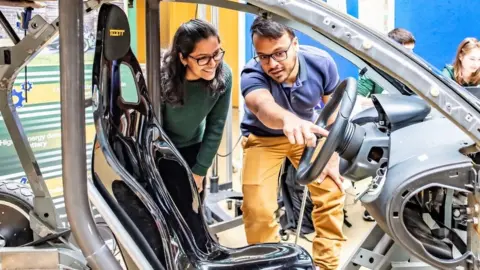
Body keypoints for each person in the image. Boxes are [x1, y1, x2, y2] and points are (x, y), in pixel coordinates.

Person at [240, 16, 346, 269]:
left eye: (279, 53)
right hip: (264, 138)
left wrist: (332, 153)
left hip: (307, 134)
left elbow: (333, 110)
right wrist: (288, 119)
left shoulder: (321, 62)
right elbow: (263, 107)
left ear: (295, 43)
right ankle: (269, 265)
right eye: (263, 56)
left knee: (332, 192)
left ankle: (326, 265)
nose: (272, 63)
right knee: (258, 208)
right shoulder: (252, 73)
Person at [157, 18, 232, 247]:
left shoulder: (224, 74)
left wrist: (199, 171)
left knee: (193, 205)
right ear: (182, 57)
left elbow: (216, 125)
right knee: (169, 206)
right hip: (162, 145)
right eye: (202, 58)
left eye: (217, 53)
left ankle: (197, 248)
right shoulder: (160, 77)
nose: (212, 63)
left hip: (193, 145)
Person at [357, 27, 416, 100]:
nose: (411, 55)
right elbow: (361, 92)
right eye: (407, 51)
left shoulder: (415, 72)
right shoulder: (374, 67)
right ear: (392, 50)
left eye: (411, 50)